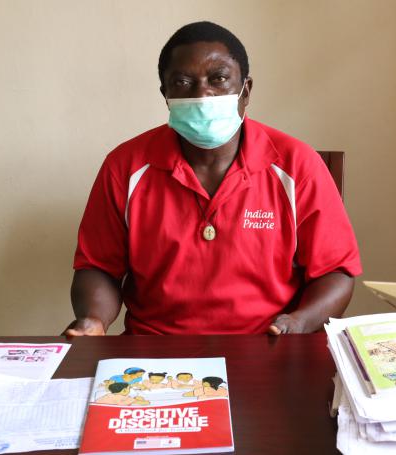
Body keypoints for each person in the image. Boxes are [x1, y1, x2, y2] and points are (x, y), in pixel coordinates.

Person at [67, 21, 361, 336]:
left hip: (268, 345)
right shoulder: (125, 166)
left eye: (218, 79)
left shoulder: (297, 164)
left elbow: (336, 272)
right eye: (182, 82)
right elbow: (98, 267)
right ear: (165, 94)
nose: (202, 94)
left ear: (245, 91)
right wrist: (93, 320)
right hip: (154, 350)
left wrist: (298, 323)